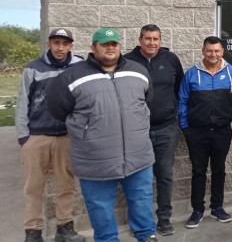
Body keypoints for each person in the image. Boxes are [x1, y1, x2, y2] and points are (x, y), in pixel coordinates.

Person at [48, 28, 158, 242]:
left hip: (138, 156)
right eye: (104, 44)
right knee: (100, 208)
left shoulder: (138, 71)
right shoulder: (72, 76)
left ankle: (146, 235)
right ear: (93, 47)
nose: (110, 47)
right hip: (94, 160)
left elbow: (147, 102)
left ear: (119, 46)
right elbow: (58, 109)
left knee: (142, 200)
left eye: (114, 44)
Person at [16, 28, 84, 242]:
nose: (60, 48)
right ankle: (33, 232)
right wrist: (23, 137)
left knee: (66, 186)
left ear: (71, 45)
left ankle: (64, 229)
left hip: (66, 137)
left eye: (65, 43)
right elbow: (21, 103)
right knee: (33, 188)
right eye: (56, 43)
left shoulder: (79, 66)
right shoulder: (33, 68)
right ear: (49, 44)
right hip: (37, 137)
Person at [124, 24, 184, 236]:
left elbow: (179, 89)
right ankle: (141, 221)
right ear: (140, 40)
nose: (152, 43)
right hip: (136, 131)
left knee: (165, 175)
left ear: (160, 40)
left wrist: (174, 112)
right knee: (139, 177)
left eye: (155, 39)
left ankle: (165, 218)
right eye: (148, 38)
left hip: (166, 128)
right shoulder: (127, 61)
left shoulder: (171, 60)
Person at [178, 36, 232, 229]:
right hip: (196, 132)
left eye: (217, 51)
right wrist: (185, 127)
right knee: (198, 171)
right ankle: (197, 210)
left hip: (222, 131)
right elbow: (182, 101)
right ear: (203, 51)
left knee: (219, 170)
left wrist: (221, 110)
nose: (213, 54)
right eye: (209, 51)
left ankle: (217, 207)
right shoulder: (191, 74)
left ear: (222, 51)